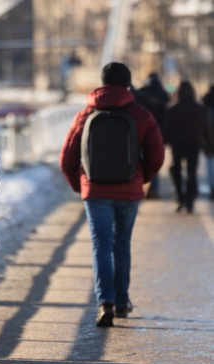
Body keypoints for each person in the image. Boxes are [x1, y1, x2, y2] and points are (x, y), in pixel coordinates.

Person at [59, 62, 164, 327]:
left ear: (103, 82)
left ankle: (104, 302)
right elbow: (156, 155)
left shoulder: (85, 114)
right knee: (122, 245)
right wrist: (141, 178)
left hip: (95, 191)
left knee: (101, 247)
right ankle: (121, 301)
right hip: (129, 191)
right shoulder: (141, 114)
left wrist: (80, 185)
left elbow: (67, 158)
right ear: (128, 84)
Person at [163, 81, 210, 213]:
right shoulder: (199, 108)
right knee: (191, 172)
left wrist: (163, 141)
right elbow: (205, 126)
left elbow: (167, 127)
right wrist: (209, 143)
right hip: (194, 143)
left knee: (175, 168)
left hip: (177, 143)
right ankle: (190, 199)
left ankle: (180, 196)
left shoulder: (173, 108)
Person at [136, 72, 170, 199]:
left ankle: (138, 188)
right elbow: (167, 117)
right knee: (154, 161)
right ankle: (154, 189)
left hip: (140, 133)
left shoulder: (141, 93)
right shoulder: (164, 95)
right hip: (157, 134)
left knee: (138, 161)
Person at [200, 86, 214, 200]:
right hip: (208, 137)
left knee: (209, 164)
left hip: (208, 138)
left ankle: (212, 187)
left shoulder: (204, 102)